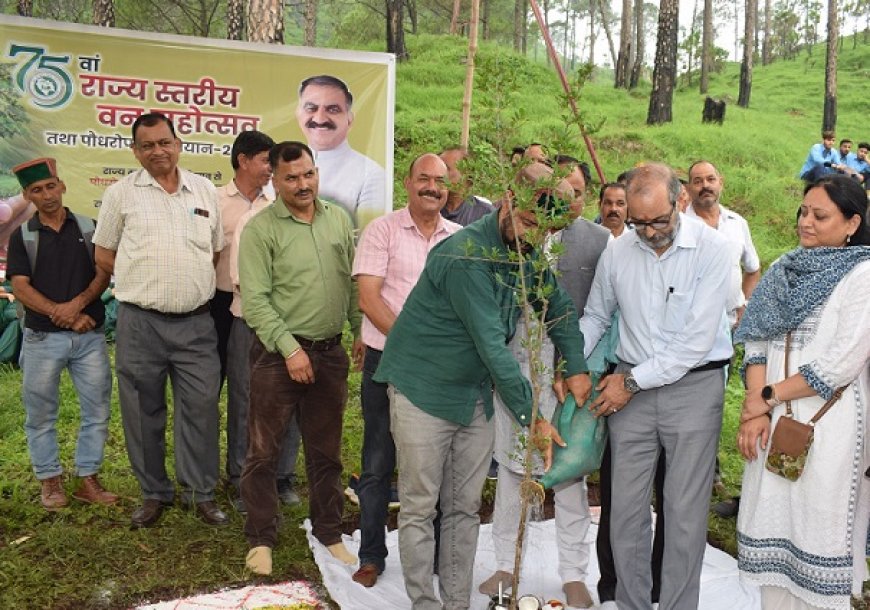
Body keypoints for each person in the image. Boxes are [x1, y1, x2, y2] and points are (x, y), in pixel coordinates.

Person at [374, 161, 593, 610]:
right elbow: (495, 349)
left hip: (473, 396)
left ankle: (455, 603)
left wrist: (576, 366)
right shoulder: (466, 255)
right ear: (508, 202)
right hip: (423, 390)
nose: (535, 237)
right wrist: (534, 418)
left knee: (464, 507)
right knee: (420, 507)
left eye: (545, 230)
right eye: (531, 222)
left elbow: (561, 310)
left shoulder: (526, 253)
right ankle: (424, 603)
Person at [580, 163, 732, 610]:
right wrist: (571, 364)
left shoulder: (714, 249)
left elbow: (694, 343)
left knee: (683, 516)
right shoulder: (619, 251)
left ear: (679, 199)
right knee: (624, 514)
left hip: (693, 389)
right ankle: (632, 603)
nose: (648, 232)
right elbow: (595, 315)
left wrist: (628, 382)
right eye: (638, 222)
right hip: (630, 390)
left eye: (658, 221)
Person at [735, 175, 870, 610]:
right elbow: (755, 340)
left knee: (818, 529)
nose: (806, 223)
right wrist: (756, 410)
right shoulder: (783, 269)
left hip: (831, 425)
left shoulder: (863, 275)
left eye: (820, 215)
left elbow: (839, 363)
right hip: (774, 421)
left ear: (852, 223)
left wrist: (766, 397)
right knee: (774, 537)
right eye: (804, 212)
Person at [479, 161, 609, 609]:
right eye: (554, 194)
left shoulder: (599, 240)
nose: (564, 202)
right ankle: (505, 563)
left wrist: (575, 366)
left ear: (583, 197)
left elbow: (601, 311)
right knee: (514, 470)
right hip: (515, 368)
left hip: (572, 374)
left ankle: (573, 572)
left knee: (569, 474)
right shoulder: (507, 236)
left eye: (574, 192)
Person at [93, 112, 227, 528]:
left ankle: (200, 492)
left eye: (164, 142)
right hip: (140, 323)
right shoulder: (121, 194)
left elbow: (216, 252)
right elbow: (103, 255)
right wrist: (143, 280)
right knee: (140, 409)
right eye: (147, 145)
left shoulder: (204, 191)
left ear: (178, 143)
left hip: (196, 326)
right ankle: (153, 493)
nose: (157, 151)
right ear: (135, 151)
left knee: (202, 407)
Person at [239, 140, 362, 576]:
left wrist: (359, 330)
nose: (302, 184)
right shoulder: (260, 229)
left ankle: (329, 531)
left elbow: (350, 285)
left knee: (326, 451)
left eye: (308, 174)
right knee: (263, 452)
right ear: (274, 179)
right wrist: (290, 349)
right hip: (278, 356)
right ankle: (261, 538)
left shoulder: (338, 220)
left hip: (329, 353)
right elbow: (255, 301)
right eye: (291, 177)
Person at [351, 153, 461, 588]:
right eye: (424, 179)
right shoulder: (383, 230)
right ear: (407, 183)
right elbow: (370, 299)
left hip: (441, 370)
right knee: (379, 461)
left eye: (440, 181)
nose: (432, 187)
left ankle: (432, 556)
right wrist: (413, 345)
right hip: (388, 361)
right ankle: (372, 555)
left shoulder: (460, 239)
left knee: (435, 466)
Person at [7, 157, 116, 510]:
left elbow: (103, 272)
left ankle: (88, 479)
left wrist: (79, 305)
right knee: (40, 414)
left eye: (51, 185)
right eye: (37, 190)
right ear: (27, 195)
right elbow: (20, 287)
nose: (47, 194)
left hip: (90, 337)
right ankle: (49, 481)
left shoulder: (89, 227)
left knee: (97, 410)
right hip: (41, 338)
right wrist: (63, 314)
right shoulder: (22, 236)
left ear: (62, 185)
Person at [217, 131, 303, 512]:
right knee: (246, 402)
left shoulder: (284, 210)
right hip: (243, 318)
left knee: (290, 402)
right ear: (242, 160)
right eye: (268, 162)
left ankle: (282, 477)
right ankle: (242, 478)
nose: (273, 172)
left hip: (294, 321)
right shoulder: (244, 217)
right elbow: (242, 280)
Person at [294, 74, 386, 231]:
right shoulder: (278, 167)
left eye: (333, 109)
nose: (320, 118)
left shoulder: (371, 174)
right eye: (311, 108)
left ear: (349, 120)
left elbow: (368, 237)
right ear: (298, 114)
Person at [686, 160, 760, 328]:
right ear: (689, 189)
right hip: (690, 327)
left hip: (731, 325)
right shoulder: (680, 227)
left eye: (710, 179)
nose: (705, 185)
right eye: (697, 181)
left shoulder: (737, 223)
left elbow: (753, 269)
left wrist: (745, 304)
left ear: (721, 183)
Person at [438, 147, 494, 226]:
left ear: (467, 174)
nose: (438, 174)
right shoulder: (428, 207)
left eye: (446, 168)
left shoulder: (485, 215)